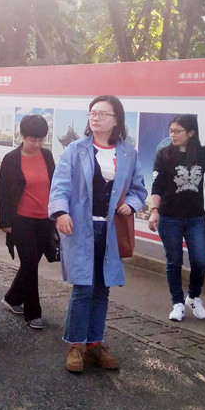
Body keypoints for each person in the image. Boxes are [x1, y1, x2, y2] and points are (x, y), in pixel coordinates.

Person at [49, 95, 147, 373]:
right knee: (83, 287)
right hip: (81, 227)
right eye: (93, 112)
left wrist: (132, 204)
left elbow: (138, 188)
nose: (96, 117)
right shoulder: (75, 149)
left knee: (103, 288)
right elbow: (60, 185)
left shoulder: (127, 153)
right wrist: (61, 212)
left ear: (116, 120)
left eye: (103, 113)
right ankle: (75, 345)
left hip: (110, 228)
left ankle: (94, 343)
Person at [147, 114, 205, 322]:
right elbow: (157, 186)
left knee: (200, 261)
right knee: (174, 261)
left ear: (191, 133)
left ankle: (193, 297)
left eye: (177, 131)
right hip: (169, 218)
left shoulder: (203, 154)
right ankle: (177, 303)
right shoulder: (164, 155)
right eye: (171, 131)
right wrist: (154, 210)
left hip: (196, 219)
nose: (173, 135)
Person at [0, 114, 56, 330]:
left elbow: (54, 184)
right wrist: (5, 222)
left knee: (30, 263)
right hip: (22, 220)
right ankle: (33, 313)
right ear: (21, 135)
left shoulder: (47, 156)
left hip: (45, 219)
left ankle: (12, 298)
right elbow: (3, 192)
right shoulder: (11, 159)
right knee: (30, 264)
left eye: (41, 140)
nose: (38, 144)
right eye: (33, 139)